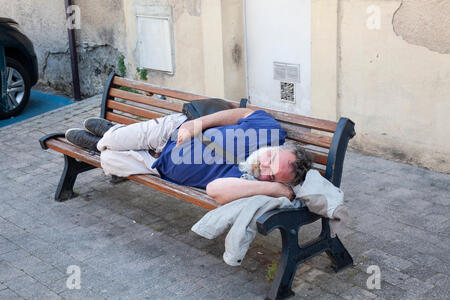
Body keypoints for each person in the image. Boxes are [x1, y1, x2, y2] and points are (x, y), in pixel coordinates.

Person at [65, 108, 312, 205]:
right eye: (270, 159)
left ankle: (101, 142)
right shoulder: (268, 130)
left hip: (157, 165)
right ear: (280, 147)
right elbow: (242, 113)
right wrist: (198, 124)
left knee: (107, 158)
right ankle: (110, 134)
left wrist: (274, 189)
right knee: (111, 144)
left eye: (271, 175)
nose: (263, 167)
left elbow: (215, 190)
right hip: (172, 132)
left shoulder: (253, 182)